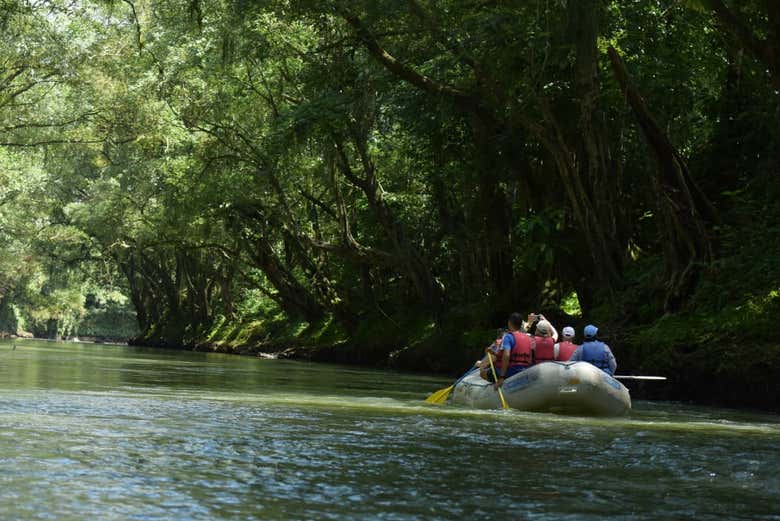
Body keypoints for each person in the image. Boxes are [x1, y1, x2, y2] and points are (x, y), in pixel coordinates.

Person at [479, 312, 533, 389]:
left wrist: (502, 377)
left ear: (509, 322)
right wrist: (493, 352)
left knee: (482, 373)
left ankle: (496, 387)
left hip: (511, 371)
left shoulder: (508, 337)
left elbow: (506, 355)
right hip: (524, 370)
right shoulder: (528, 338)